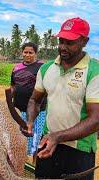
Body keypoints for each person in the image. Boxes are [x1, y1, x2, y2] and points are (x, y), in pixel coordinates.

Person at [22, 17, 99, 179]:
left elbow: (96, 119)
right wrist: (30, 121)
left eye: (69, 43)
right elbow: (34, 100)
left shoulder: (94, 71)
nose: (63, 47)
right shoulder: (47, 69)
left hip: (80, 150)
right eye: (61, 41)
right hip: (48, 143)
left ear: (84, 41)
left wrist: (58, 136)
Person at [10, 42, 46, 161]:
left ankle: (36, 164)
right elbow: (13, 86)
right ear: (22, 52)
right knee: (19, 139)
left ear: (36, 53)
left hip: (37, 112)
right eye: (25, 52)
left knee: (36, 139)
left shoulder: (42, 67)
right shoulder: (16, 68)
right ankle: (20, 163)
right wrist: (9, 100)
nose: (28, 55)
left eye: (31, 52)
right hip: (18, 111)